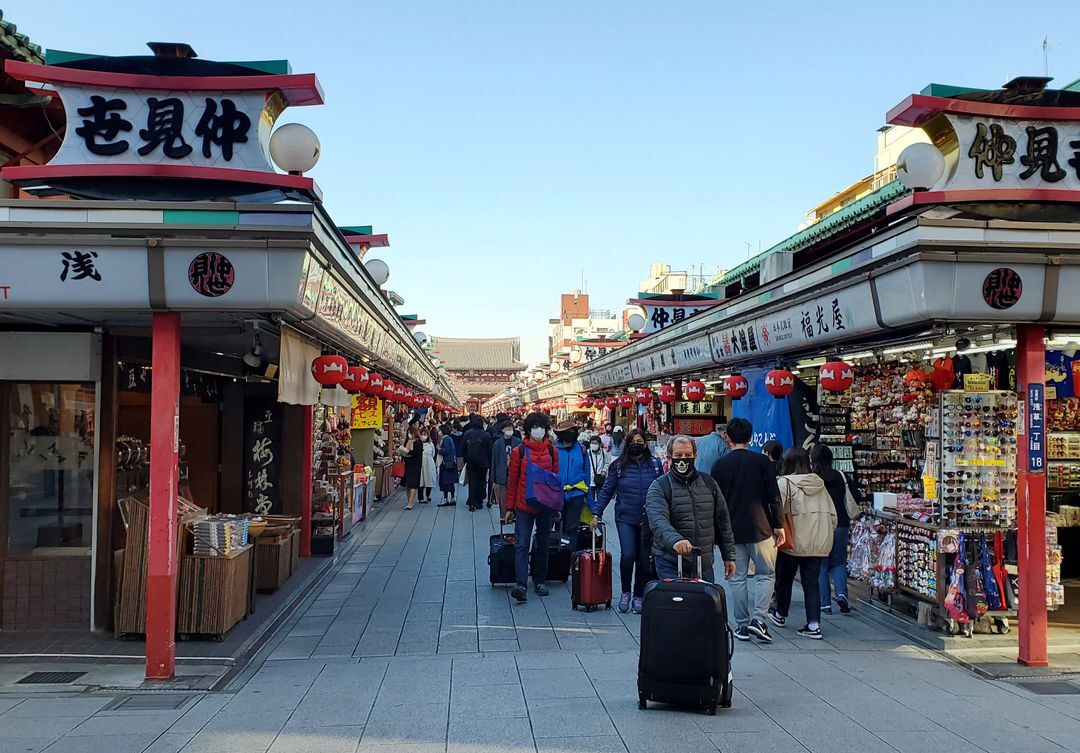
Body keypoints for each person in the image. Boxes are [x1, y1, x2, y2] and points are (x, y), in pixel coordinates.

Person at [709, 417, 785, 643]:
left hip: (731, 531)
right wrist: (779, 525)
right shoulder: (762, 463)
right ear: (750, 438)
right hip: (761, 528)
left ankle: (742, 625)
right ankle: (759, 619)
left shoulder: (719, 465)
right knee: (766, 574)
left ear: (728, 438)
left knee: (737, 578)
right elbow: (774, 496)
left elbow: (715, 502)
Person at [645, 435, 737, 584]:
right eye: (678, 455)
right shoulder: (660, 486)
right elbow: (658, 521)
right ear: (669, 457)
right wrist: (676, 540)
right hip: (670, 562)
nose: (683, 459)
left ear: (695, 456)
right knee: (678, 604)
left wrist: (729, 556)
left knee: (704, 605)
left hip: (704, 564)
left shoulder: (709, 483)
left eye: (688, 455)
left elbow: (723, 521)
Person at [590, 428, 663, 613]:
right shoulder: (618, 466)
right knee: (628, 554)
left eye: (639, 442)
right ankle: (625, 592)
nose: (636, 445)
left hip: (648, 520)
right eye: (632, 442)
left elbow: (664, 491)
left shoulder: (655, 464)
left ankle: (638, 595)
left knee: (644, 559)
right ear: (627, 444)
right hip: (625, 517)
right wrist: (596, 513)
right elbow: (607, 490)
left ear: (645, 444)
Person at [770, 447, 837, 640]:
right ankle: (814, 624)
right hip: (819, 542)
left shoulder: (784, 483)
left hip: (793, 541)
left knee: (784, 578)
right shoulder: (819, 484)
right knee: (811, 582)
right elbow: (833, 516)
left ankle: (781, 613)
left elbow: (777, 512)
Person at [504, 412, 560, 602]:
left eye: (541, 426)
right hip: (523, 506)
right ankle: (520, 583)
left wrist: (557, 506)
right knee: (521, 544)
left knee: (543, 545)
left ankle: (540, 580)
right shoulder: (519, 452)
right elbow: (512, 482)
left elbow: (555, 481)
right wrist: (509, 508)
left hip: (545, 507)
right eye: (535, 427)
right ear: (528, 430)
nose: (539, 430)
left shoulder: (553, 451)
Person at [811, 443, 859, 615]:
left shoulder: (812, 478)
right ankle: (841, 594)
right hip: (841, 524)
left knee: (821, 565)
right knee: (839, 562)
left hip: (820, 525)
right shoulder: (841, 476)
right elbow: (857, 496)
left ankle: (825, 604)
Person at [554, 419, 591, 534]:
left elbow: (587, 474)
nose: (570, 433)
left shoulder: (582, 450)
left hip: (577, 493)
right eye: (566, 431)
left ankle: (571, 551)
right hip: (558, 493)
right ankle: (560, 551)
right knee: (559, 526)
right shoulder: (553, 450)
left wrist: (589, 497)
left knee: (573, 527)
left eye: (572, 430)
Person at [490, 421, 521, 517]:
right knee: (503, 497)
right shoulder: (497, 444)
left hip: (515, 473)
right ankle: (504, 515)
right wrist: (493, 478)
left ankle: (515, 514)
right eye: (507, 428)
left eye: (510, 428)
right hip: (501, 473)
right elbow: (494, 461)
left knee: (516, 495)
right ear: (503, 430)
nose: (509, 430)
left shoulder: (518, 442)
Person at [461, 416, 493, 511]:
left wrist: (465, 459)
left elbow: (463, 449)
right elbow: (490, 450)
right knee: (481, 482)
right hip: (483, 462)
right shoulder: (486, 435)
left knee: (472, 482)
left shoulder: (467, 434)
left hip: (470, 462)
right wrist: (490, 462)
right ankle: (479, 502)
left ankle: (471, 503)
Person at [399, 422, 424, 511]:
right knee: (407, 484)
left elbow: (417, 453)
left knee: (412, 484)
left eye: (411, 433)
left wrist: (408, 452)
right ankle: (409, 501)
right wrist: (402, 451)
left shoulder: (419, 442)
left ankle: (410, 503)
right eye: (408, 433)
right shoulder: (407, 441)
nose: (409, 435)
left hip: (415, 465)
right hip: (407, 464)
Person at [437, 422, 458, 507]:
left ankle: (446, 499)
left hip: (446, 463)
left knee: (445, 481)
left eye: (439, 431)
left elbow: (445, 451)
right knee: (450, 482)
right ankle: (452, 498)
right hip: (450, 462)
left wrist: (439, 449)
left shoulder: (446, 440)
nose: (438, 432)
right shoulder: (449, 439)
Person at [418, 427, 437, 503]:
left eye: (425, 434)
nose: (423, 436)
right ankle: (420, 497)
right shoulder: (418, 444)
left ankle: (428, 495)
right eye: (422, 434)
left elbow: (433, 453)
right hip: (420, 464)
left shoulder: (431, 444)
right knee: (421, 481)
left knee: (429, 480)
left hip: (429, 463)